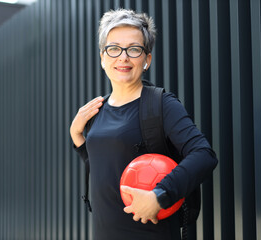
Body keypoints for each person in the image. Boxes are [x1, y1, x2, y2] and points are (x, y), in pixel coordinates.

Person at [70, 9, 218, 240]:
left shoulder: (161, 105)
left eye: (134, 49)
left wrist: (160, 195)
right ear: (102, 57)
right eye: (114, 48)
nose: (123, 57)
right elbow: (106, 166)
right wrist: (77, 135)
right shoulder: (98, 109)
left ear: (147, 59)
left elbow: (204, 155)